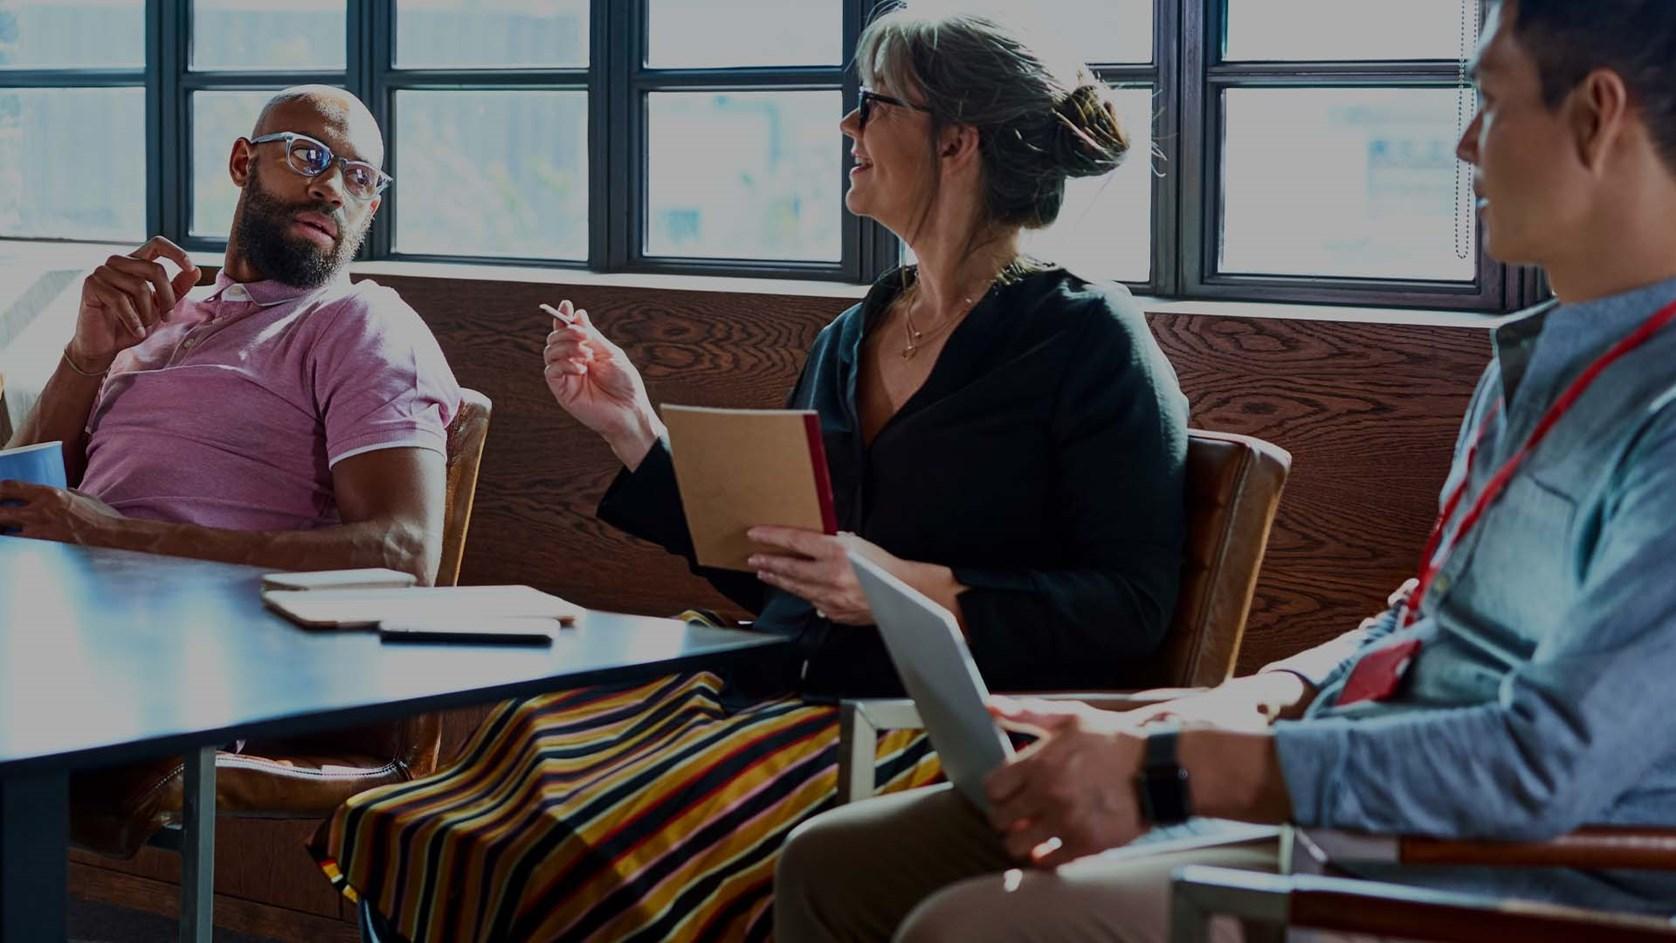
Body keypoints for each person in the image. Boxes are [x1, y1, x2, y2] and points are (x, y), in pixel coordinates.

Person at [774, 1, 1676, 939]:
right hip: (1340, 795)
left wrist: (1185, 766)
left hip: (1482, 877)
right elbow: (1423, 616)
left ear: (1595, 116)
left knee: (956, 925)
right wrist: (1247, 699)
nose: (1463, 145)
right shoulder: (1538, 368)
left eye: (1490, 102)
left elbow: (1538, 763)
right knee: (833, 866)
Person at [312, 8, 1188, 941]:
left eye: (873, 105)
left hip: (917, 729)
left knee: (591, 848)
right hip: (772, 682)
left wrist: (903, 590)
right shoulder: (852, 338)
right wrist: (635, 429)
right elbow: (782, 567)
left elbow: (1128, 604)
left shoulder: (1088, 340)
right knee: (457, 804)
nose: (848, 128)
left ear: (957, 142)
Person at [0, 86, 460, 584]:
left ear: (368, 211)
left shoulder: (363, 324)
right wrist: (85, 358)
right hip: (62, 604)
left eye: (359, 178)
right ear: (243, 162)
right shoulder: (155, 318)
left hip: (224, 636)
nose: (332, 188)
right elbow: (15, 499)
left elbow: (404, 554)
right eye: (309, 155)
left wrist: (115, 535)